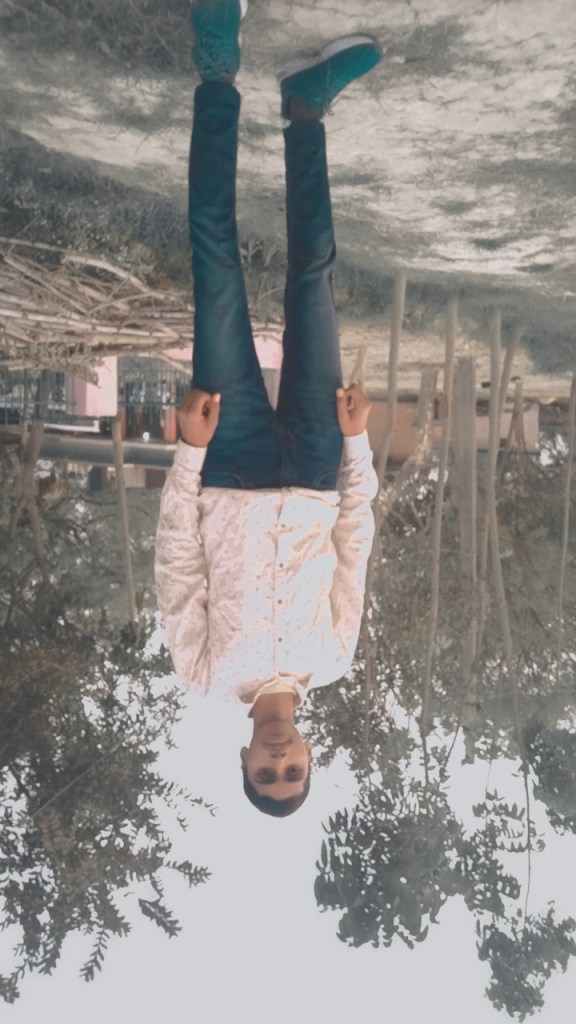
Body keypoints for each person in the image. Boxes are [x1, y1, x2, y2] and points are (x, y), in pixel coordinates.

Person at [155, 0, 381, 817]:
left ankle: (217, 71)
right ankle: (305, 109)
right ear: (310, 757)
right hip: (319, 459)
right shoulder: (335, 656)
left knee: (216, 265)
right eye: (294, 774)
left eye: (265, 775)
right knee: (313, 274)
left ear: (245, 760)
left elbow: (178, 561)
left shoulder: (204, 675)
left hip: (230, 457)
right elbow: (353, 544)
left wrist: (189, 451)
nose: (279, 763)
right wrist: (356, 446)